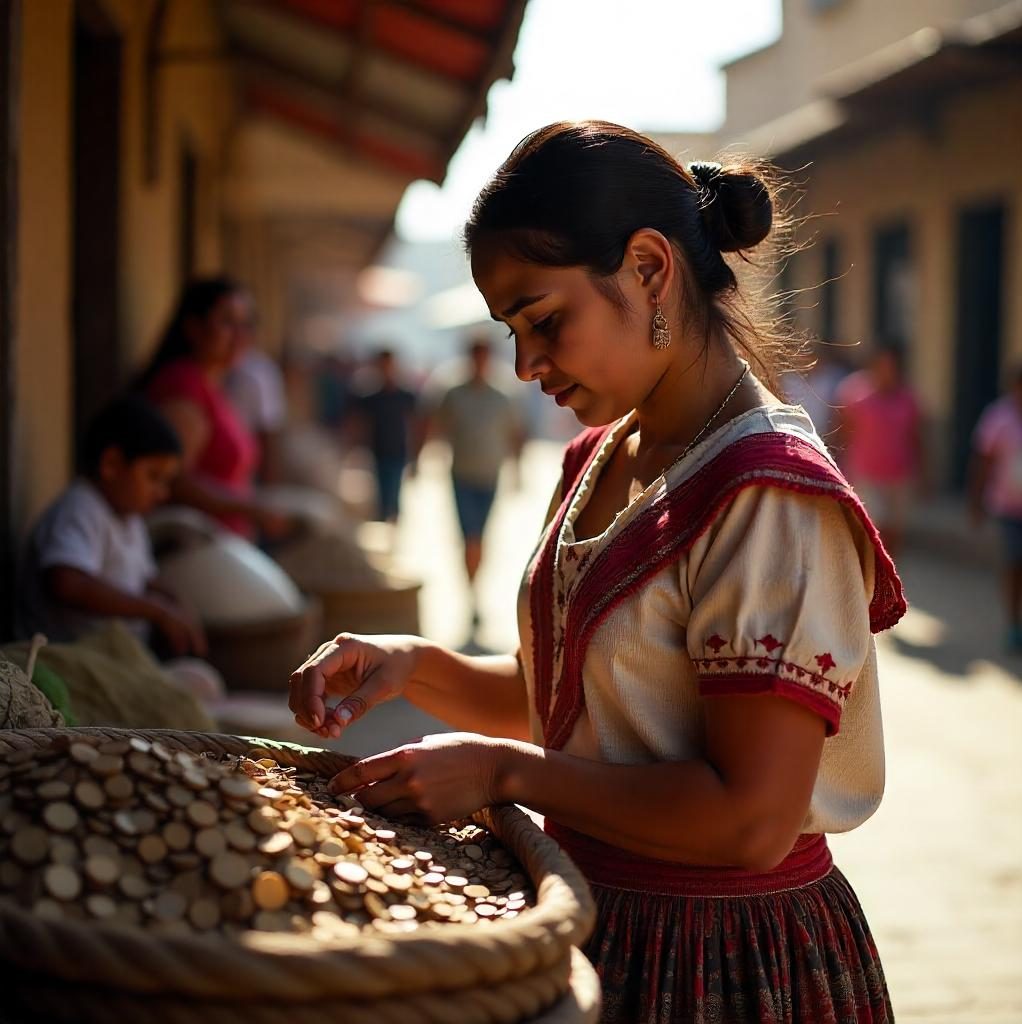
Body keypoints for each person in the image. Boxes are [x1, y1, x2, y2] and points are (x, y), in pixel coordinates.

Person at [288, 122, 904, 1024]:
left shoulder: (767, 495)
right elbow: (577, 704)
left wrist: (504, 774)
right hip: (592, 915)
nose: (524, 364)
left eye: (544, 321)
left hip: (721, 958)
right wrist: (414, 665)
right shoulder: (600, 458)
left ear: (650, 268)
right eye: (510, 331)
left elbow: (751, 820)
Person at [18, 396, 206, 660]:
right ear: (112, 464)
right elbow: (67, 583)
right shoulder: (81, 507)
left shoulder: (130, 518)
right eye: (153, 477)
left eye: (166, 482)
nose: (162, 493)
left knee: (197, 677)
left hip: (112, 658)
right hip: (67, 659)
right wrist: (155, 610)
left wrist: (173, 602)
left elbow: (143, 579)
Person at [136, 276, 291, 540]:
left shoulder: (214, 384)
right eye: (227, 322)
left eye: (247, 324)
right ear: (194, 327)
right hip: (193, 548)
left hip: (223, 541)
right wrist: (250, 508)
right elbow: (175, 481)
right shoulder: (182, 386)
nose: (241, 336)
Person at [419, 337, 523, 624]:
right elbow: (433, 425)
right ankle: (471, 591)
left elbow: (515, 433)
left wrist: (518, 469)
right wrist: (420, 458)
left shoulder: (502, 396)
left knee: (480, 538)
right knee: (469, 537)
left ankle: (475, 587)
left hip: (489, 475)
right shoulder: (453, 394)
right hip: (462, 475)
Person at [836, 345, 924, 558]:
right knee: (876, 527)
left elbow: (916, 437)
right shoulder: (854, 393)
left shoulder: (908, 398)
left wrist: (923, 472)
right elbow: (842, 433)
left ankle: (890, 571)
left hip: (899, 475)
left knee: (894, 531)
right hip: (865, 475)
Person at [969, 365, 1022, 651]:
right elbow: (983, 460)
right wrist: (976, 501)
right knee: (1014, 562)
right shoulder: (999, 418)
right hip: (1008, 507)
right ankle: (1013, 624)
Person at [224, 291, 288, 485]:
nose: (237, 334)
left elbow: (268, 434)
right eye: (227, 323)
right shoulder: (200, 380)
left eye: (245, 325)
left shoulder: (258, 372)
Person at [348, 349, 418, 523]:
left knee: (394, 487)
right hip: (379, 449)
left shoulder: (405, 396)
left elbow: (416, 424)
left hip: (398, 449)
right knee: (382, 489)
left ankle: (392, 519)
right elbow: (359, 422)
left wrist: (416, 450)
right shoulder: (372, 398)